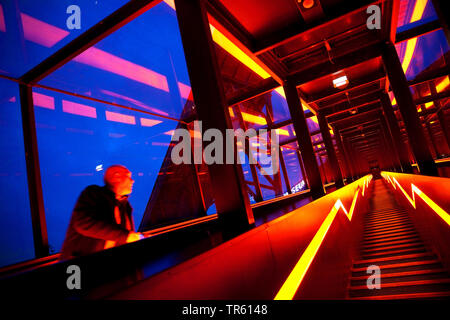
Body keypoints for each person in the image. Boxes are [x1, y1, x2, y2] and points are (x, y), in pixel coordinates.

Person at [60, 165, 143, 261]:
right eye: (128, 176)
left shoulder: (125, 205)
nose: (132, 181)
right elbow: (83, 223)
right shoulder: (93, 194)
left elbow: (126, 235)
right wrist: (126, 236)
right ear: (116, 177)